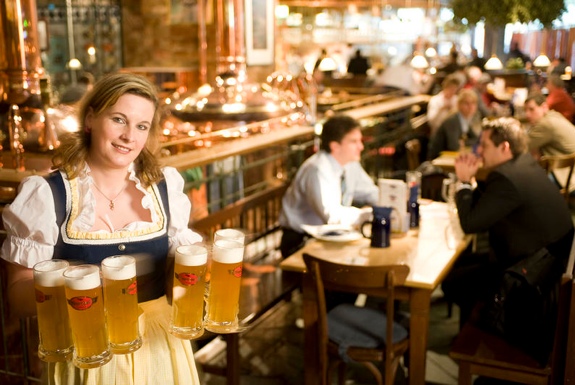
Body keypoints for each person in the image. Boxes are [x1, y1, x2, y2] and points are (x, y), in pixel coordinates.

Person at [1, 72, 203, 384]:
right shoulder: (47, 194)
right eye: (119, 119)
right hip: (85, 356)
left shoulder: (165, 190)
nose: (129, 136)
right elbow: (18, 297)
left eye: (141, 126)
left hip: (161, 350)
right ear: (91, 119)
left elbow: (182, 275)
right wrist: (69, 286)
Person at [442, 117, 574, 359]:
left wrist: (463, 182)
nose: (479, 151)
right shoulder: (524, 165)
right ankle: (475, 326)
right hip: (542, 266)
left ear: (504, 147)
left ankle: (488, 330)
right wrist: (471, 185)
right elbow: (490, 205)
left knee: (452, 282)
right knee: (460, 266)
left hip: (528, 283)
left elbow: (471, 223)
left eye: (484, 145)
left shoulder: (506, 178)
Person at [279, 114, 378, 258]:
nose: (361, 147)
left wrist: (392, 202)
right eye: (354, 141)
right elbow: (331, 215)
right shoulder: (317, 169)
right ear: (335, 146)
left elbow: (370, 192)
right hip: (302, 241)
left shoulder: (350, 163)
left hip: (332, 237)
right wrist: (367, 215)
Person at [523, 92, 575, 193]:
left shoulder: (545, 124)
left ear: (544, 107)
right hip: (571, 172)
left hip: (569, 178)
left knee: (525, 183)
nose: (527, 114)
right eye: (525, 110)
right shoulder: (555, 116)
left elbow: (521, 147)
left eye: (531, 109)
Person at [427, 89, 481, 160]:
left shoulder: (465, 119)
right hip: (438, 160)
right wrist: (462, 143)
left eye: (473, 103)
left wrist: (463, 143)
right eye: (466, 103)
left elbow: (477, 140)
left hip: (449, 157)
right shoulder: (452, 121)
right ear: (459, 105)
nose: (470, 107)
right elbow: (453, 146)